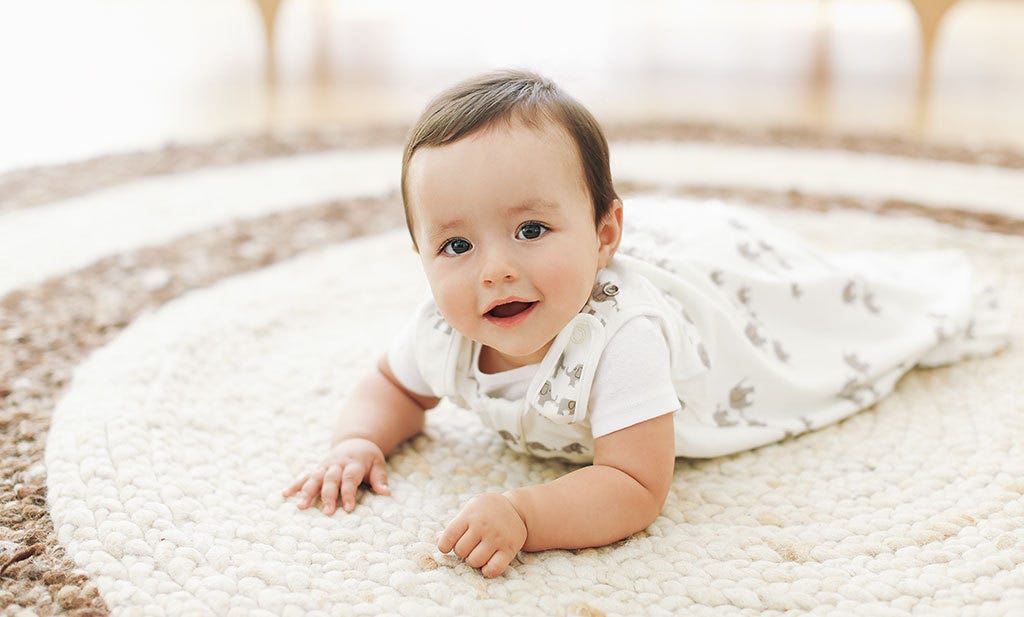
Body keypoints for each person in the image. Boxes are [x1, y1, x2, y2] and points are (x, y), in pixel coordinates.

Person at [282, 69, 1010, 578]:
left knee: (828, 319)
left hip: (717, 316)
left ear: (604, 237)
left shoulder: (622, 338)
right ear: (422, 255)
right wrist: (356, 439)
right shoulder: (444, 330)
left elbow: (634, 482)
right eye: (456, 245)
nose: (494, 269)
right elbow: (393, 385)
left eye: (531, 229)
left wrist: (525, 513)